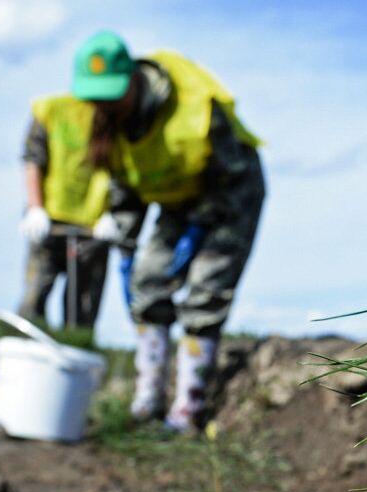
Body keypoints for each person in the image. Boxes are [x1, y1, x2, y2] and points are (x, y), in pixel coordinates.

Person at [54, 30, 266, 432]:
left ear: (133, 79)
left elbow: (231, 173)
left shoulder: (194, 108)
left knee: (205, 290)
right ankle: (148, 398)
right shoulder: (111, 124)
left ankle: (188, 408)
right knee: (148, 283)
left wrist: (200, 227)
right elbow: (127, 188)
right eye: (96, 97)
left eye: (112, 94)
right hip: (176, 200)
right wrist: (123, 234)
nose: (105, 104)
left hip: (230, 195)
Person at [17, 93, 112, 330]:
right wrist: (35, 207)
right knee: (34, 298)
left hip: (95, 228)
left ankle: (77, 349)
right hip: (49, 224)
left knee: (82, 309)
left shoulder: (117, 116)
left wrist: (113, 213)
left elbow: (125, 170)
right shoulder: (51, 111)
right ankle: (29, 345)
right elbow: (32, 161)